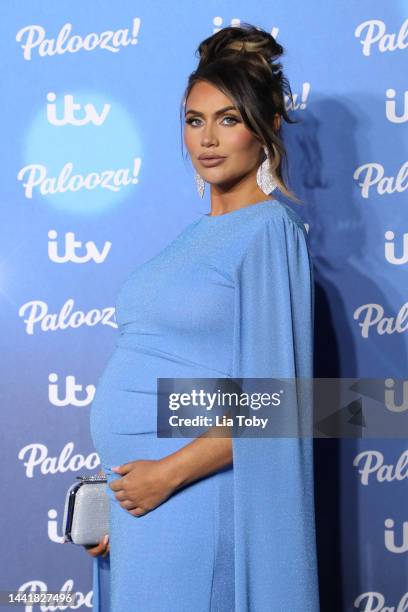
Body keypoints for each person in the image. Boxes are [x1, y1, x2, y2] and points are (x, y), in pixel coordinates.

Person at [87, 23, 320, 611]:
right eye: (195, 120)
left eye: (229, 119)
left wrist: (167, 473)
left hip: (194, 497)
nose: (208, 140)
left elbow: (281, 403)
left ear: (266, 129)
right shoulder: (197, 236)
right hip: (144, 504)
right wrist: (122, 497)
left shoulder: (269, 230)